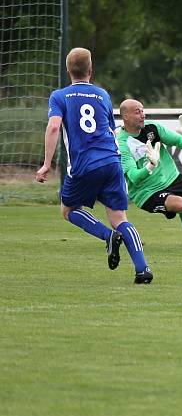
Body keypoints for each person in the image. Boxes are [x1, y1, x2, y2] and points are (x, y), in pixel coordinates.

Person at [35, 48, 153, 284]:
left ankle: (108, 237)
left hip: (85, 164)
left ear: (68, 70)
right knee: (120, 217)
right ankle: (143, 270)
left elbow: (54, 127)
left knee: (68, 210)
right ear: (91, 71)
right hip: (111, 160)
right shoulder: (103, 95)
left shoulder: (59, 96)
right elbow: (110, 130)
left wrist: (47, 164)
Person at [116, 99, 182, 252]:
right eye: (137, 112)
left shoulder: (153, 128)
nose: (142, 115)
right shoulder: (122, 143)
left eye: (142, 110)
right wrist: (150, 166)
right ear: (125, 117)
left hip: (172, 179)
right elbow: (133, 177)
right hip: (147, 192)